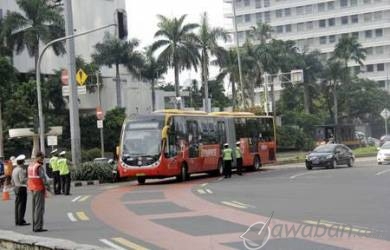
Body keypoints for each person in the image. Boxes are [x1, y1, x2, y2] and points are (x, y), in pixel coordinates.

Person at [27, 152, 48, 232]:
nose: (43, 160)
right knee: (39, 208)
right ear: (38, 157)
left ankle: (34, 226)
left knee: (34, 208)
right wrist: (47, 187)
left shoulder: (30, 166)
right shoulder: (38, 167)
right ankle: (38, 227)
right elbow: (43, 178)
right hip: (39, 188)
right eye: (42, 158)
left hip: (33, 188)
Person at [11, 154, 29, 226]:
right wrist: (28, 178)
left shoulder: (14, 169)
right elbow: (22, 180)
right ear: (22, 162)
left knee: (17, 204)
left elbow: (12, 180)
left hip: (16, 187)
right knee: (22, 205)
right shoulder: (21, 170)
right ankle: (21, 220)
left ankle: (17, 220)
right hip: (21, 187)